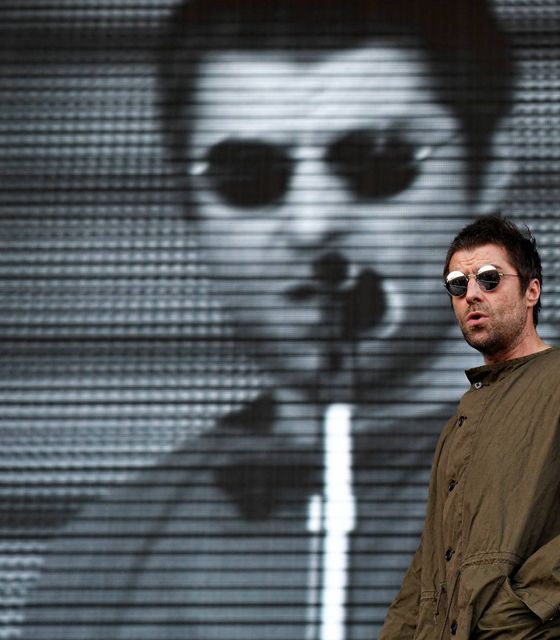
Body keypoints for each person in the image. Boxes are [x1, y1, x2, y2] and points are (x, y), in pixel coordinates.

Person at [21, 1, 515, 639]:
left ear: (487, 171)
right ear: (188, 202)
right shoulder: (99, 568)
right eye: (248, 175)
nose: (311, 225)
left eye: (376, 161)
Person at [379, 215, 560, 638]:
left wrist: (520, 609)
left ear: (532, 290)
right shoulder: (460, 420)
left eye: (489, 278)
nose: (472, 294)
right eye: (458, 284)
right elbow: (431, 562)